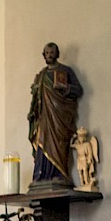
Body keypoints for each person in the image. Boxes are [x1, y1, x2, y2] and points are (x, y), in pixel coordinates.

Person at [28, 42, 83, 186]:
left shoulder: (66, 71)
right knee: (41, 141)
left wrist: (65, 88)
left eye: (52, 52)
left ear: (57, 54)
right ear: (44, 55)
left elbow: (78, 90)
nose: (49, 55)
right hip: (44, 117)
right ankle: (40, 175)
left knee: (59, 144)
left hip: (60, 117)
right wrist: (32, 112)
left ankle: (59, 174)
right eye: (47, 53)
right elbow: (36, 98)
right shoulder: (41, 76)